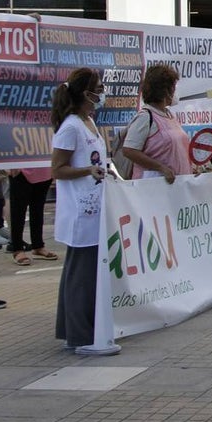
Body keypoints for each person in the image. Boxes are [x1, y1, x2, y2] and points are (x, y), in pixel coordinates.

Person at [49, 68, 120, 356]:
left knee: (85, 272)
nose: (102, 92)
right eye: (98, 88)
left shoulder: (88, 120)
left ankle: (76, 330)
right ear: (85, 93)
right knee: (81, 274)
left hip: (94, 205)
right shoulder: (70, 127)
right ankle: (79, 335)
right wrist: (87, 171)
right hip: (80, 210)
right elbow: (57, 169)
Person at [122, 64, 194, 182]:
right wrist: (160, 167)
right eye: (174, 88)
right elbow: (129, 150)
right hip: (154, 187)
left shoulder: (169, 115)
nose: (175, 92)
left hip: (177, 186)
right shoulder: (145, 117)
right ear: (166, 90)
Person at [7, 166, 55, 266]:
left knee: (38, 208)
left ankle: (38, 246)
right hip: (21, 168)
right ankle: (17, 249)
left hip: (44, 169)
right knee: (18, 211)